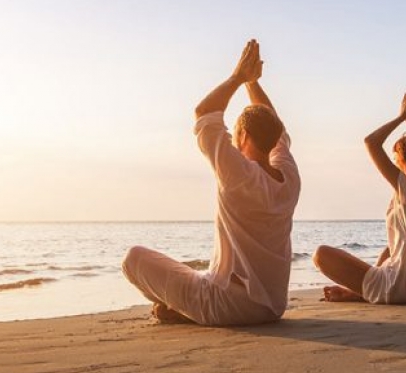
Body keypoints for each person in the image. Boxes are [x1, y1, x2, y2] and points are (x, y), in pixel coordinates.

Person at [122, 39, 301, 325]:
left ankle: (184, 311)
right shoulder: (289, 176)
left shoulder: (238, 173)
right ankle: (182, 308)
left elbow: (205, 113)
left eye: (234, 136)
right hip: (272, 307)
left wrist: (238, 77)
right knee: (197, 275)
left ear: (242, 138)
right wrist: (252, 83)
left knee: (133, 259)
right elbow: (274, 125)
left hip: (226, 306)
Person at [313, 86, 406, 303]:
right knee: (388, 252)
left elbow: (371, 142)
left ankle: (363, 292)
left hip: (404, 286)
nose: (395, 164)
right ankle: (359, 292)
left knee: (321, 255)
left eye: (397, 160)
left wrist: (402, 116)